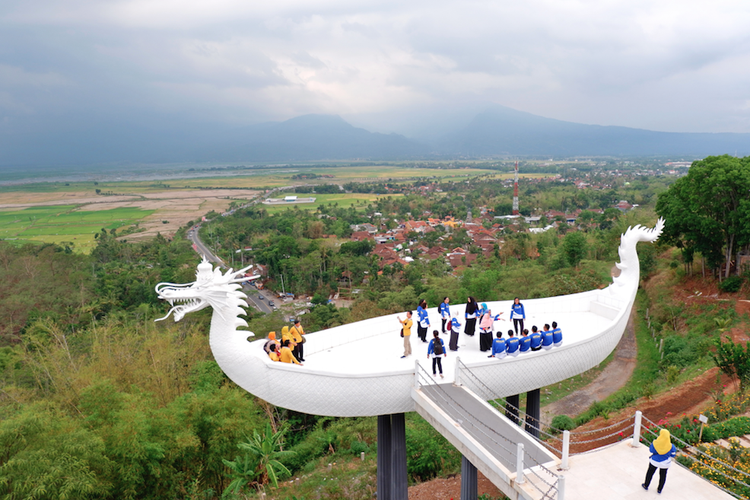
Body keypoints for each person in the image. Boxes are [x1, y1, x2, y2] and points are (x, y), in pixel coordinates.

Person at [642, 429, 677, 494]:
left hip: (654, 462)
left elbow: (651, 451)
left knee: (650, 473)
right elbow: (673, 455)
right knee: (663, 476)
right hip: (665, 464)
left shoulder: (655, 443)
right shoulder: (671, 446)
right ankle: (659, 489)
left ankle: (646, 485)